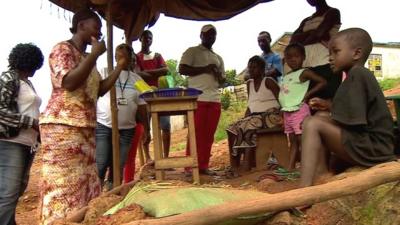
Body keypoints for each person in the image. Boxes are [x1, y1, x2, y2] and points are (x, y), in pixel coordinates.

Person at [38, 9, 129, 224]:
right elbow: (68, 82)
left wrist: (119, 68)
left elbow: (99, 89)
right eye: (95, 28)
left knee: (85, 185)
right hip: (63, 127)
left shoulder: (87, 58)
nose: (99, 33)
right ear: (81, 26)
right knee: (63, 184)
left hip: (86, 128)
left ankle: (77, 220)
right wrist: (96, 54)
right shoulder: (62, 49)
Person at [300, 28, 397, 188]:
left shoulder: (358, 74)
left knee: (312, 124)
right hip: (371, 143)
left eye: (336, 52)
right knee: (319, 117)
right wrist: (327, 107)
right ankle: (322, 174)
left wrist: (326, 111)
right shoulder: (355, 75)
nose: (330, 58)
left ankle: (302, 192)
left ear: (356, 53)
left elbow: (354, 121)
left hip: (375, 148)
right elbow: (353, 112)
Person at [0, 43, 43, 225]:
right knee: (8, 193)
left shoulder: (26, 82)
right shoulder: (9, 78)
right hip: (11, 142)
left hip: (27, 143)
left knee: (16, 190)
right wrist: (31, 123)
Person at [96, 44, 149, 189]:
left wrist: (147, 128)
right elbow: (98, 91)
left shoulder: (136, 79)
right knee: (101, 163)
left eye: (126, 56)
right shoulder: (105, 71)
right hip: (104, 126)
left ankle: (111, 192)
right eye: (119, 56)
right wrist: (118, 67)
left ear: (132, 58)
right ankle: (95, 194)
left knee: (118, 165)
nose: (123, 59)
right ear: (114, 57)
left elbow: (143, 105)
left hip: (127, 129)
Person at [179, 24, 225, 175]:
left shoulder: (218, 58)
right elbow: (182, 69)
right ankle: (189, 167)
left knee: (208, 135)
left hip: (215, 99)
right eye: (207, 34)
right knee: (195, 133)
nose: (210, 37)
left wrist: (218, 74)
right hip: (198, 97)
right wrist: (205, 68)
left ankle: (203, 166)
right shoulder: (192, 51)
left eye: (213, 35)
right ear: (201, 35)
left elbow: (223, 80)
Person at [226, 56, 282, 176]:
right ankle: (234, 165)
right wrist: (243, 118)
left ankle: (246, 165)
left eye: (254, 67)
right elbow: (250, 105)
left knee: (249, 124)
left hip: (272, 115)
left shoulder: (268, 81)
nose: (251, 70)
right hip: (255, 117)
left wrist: (283, 116)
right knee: (231, 128)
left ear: (262, 69)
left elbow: (282, 100)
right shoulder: (249, 84)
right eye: (249, 67)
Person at [279, 43, 326, 171]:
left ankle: (308, 168)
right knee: (293, 142)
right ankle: (290, 168)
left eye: (296, 56)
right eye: (289, 57)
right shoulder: (287, 75)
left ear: (303, 57)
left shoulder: (304, 72)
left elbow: (322, 82)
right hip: (288, 112)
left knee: (303, 141)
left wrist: (308, 94)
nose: (293, 59)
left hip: (299, 110)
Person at [290, 0, 342, 110]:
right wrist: (312, 34)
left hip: (324, 61)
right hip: (306, 64)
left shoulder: (333, 12)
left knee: (323, 98)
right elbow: (293, 40)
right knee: (307, 103)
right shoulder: (306, 20)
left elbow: (320, 33)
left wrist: (305, 38)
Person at [136, 30, 170, 162]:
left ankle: (166, 157)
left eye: (150, 38)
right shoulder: (137, 57)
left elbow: (165, 70)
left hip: (160, 95)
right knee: (146, 128)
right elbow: (138, 74)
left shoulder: (157, 55)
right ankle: (149, 159)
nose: (148, 40)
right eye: (145, 38)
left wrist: (146, 72)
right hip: (144, 95)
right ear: (140, 39)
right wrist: (156, 72)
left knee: (166, 126)